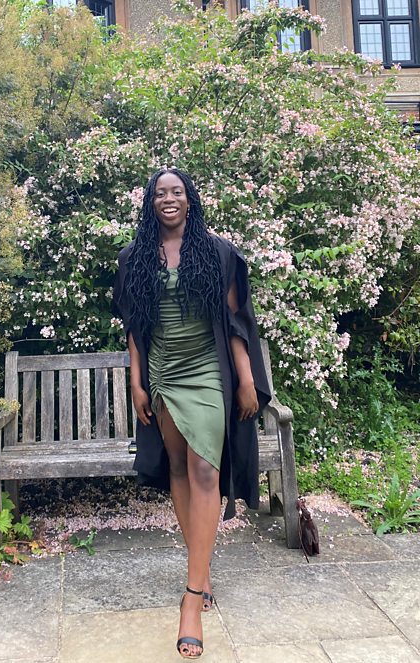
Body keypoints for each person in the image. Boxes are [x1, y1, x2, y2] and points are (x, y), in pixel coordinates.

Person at [113, 167, 272, 659]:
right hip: (162, 372)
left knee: (205, 468)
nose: (168, 199)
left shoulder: (217, 252)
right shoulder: (135, 257)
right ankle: (199, 573)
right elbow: (136, 328)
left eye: (176, 191)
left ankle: (191, 599)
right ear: (149, 202)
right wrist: (137, 382)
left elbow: (235, 321)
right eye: (160, 193)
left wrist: (246, 380)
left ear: (190, 199)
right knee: (180, 469)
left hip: (205, 370)